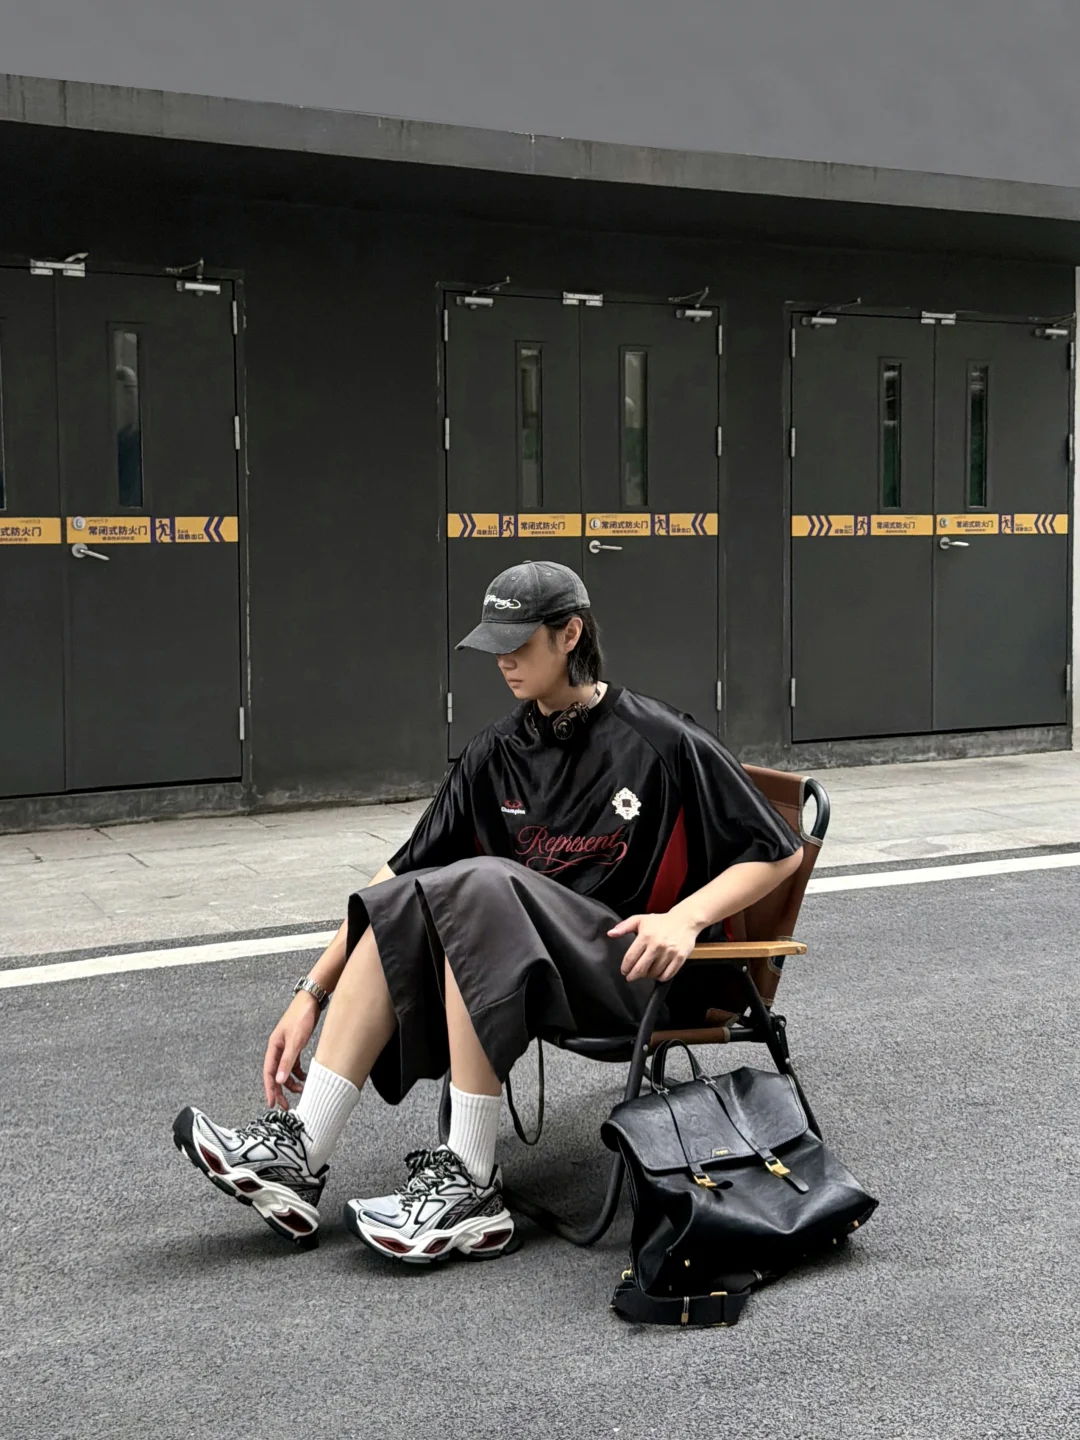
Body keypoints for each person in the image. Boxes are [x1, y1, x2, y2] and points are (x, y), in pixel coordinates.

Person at [173, 561, 803, 1262]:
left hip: (636, 973)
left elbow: (777, 850)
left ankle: (470, 1183)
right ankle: (302, 1151)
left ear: (570, 634)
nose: (503, 660)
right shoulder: (495, 752)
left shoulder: (661, 738)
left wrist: (684, 918)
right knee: (405, 899)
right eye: (493, 645)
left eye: (518, 643)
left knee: (476, 885)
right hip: (531, 971)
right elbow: (397, 874)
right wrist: (310, 993)